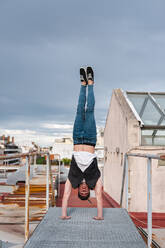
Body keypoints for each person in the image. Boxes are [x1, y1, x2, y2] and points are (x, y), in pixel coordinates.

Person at [60, 66, 103, 220]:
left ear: (77, 190)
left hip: (77, 138)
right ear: (88, 190)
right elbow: (99, 197)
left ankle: (82, 84)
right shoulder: (95, 180)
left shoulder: (72, 179)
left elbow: (65, 197)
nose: (84, 190)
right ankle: (90, 83)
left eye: (82, 192)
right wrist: (99, 216)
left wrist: (64, 214)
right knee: (90, 110)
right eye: (86, 192)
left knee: (79, 110)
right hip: (90, 139)